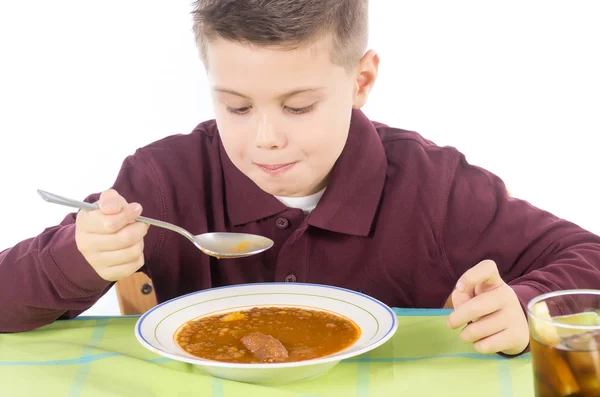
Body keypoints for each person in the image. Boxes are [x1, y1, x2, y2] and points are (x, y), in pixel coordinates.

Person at [1, 0, 599, 358]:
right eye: (236, 107)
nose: (265, 138)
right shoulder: (161, 182)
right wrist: (76, 257)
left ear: (361, 81)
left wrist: (525, 306)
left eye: (298, 106)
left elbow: (587, 255)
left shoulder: (435, 188)